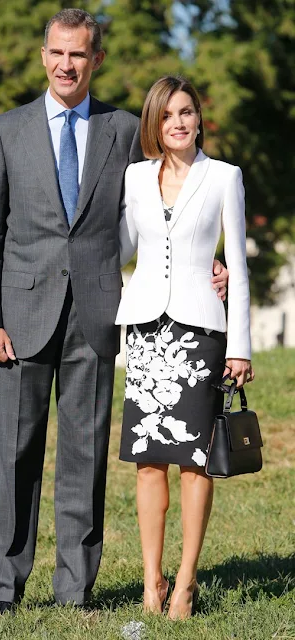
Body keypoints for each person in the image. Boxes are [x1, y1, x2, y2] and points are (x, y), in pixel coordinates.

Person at [0, 11, 228, 616]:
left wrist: (206, 261)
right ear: (43, 56)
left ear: (96, 60)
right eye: (57, 53)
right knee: (15, 456)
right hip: (20, 318)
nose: (66, 65)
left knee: (84, 457)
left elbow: (174, 192)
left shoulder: (120, 130)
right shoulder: (5, 131)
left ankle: (75, 591)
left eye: (79, 55)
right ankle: (5, 590)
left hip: (99, 317)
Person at [116, 75, 255, 619]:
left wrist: (240, 346)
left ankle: (187, 583)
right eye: (168, 114)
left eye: (187, 112)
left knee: (195, 463)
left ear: (199, 118)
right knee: (148, 464)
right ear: (155, 122)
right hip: (148, 334)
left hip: (201, 333)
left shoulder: (224, 177)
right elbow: (122, 247)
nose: (178, 122)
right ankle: (152, 581)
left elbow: (238, 268)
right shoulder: (134, 178)